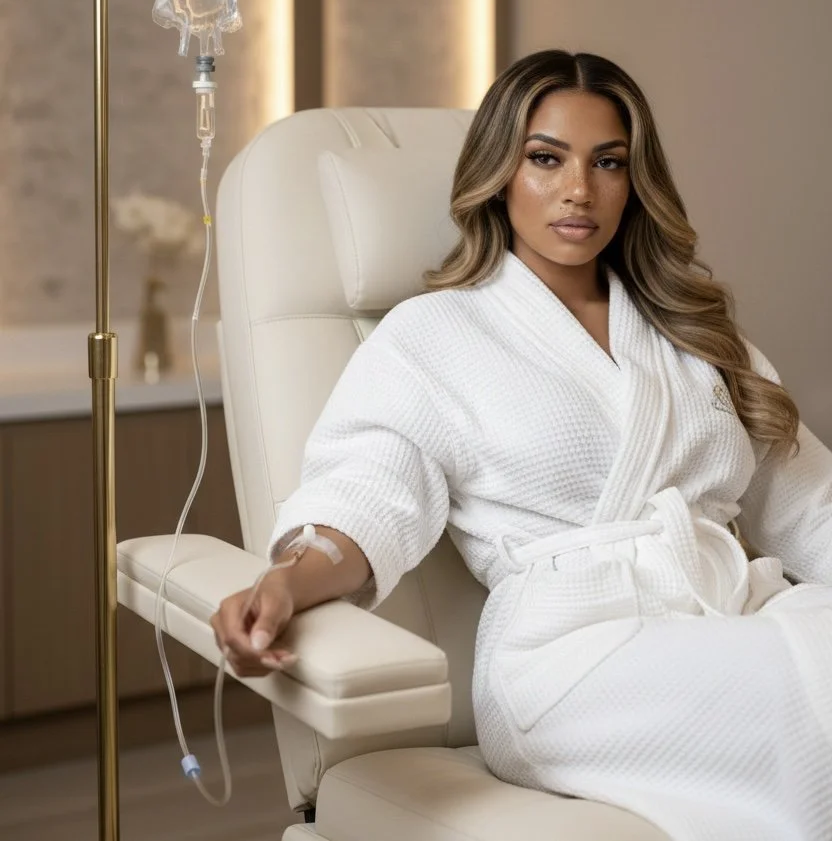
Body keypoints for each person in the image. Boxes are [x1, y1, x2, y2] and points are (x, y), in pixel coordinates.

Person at [211, 50, 832, 840]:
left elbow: (810, 503)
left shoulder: (693, 332)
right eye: (546, 159)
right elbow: (371, 495)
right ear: (501, 173)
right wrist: (290, 581)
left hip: (723, 613)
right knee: (803, 686)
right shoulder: (433, 334)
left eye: (608, 162)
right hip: (566, 656)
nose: (580, 189)